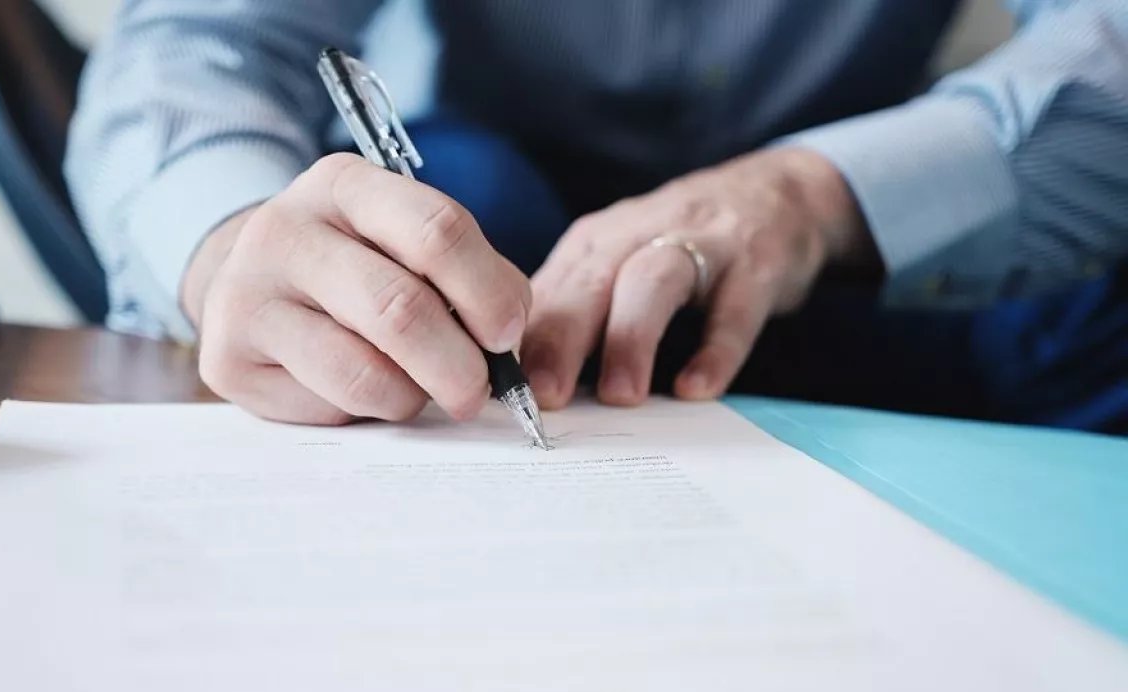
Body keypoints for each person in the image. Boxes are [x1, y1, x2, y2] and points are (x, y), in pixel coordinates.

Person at [64, 1, 1128, 431]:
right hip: (498, 250)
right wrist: (226, 244)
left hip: (841, 257)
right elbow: (194, 47)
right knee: (461, 217)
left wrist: (812, 198)